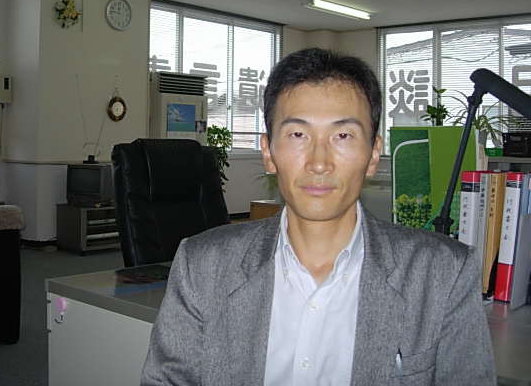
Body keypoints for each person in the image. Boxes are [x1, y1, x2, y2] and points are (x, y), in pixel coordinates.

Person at [141, 48, 496, 385]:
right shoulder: (202, 265)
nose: (319, 163)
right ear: (268, 153)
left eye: (343, 135)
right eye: (298, 134)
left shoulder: (443, 274)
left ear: (373, 154)